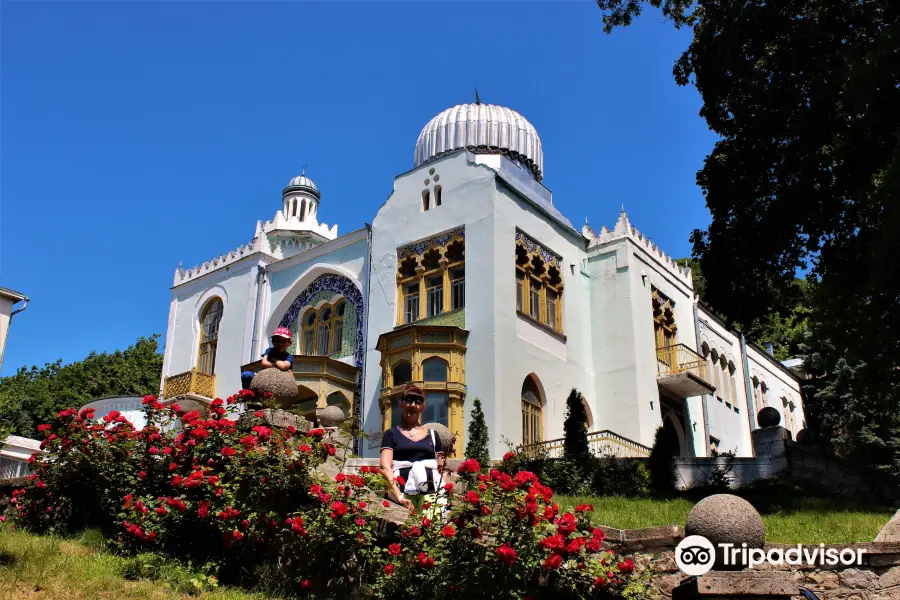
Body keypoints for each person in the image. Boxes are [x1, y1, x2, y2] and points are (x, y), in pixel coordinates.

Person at [380, 384, 446, 515]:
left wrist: (443, 492)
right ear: (401, 404)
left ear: (423, 406)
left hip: (431, 493)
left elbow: (441, 469)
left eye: (418, 401)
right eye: (408, 400)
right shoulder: (391, 434)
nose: (413, 404)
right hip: (402, 492)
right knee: (406, 532)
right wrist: (399, 496)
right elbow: (384, 467)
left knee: (432, 530)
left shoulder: (433, 435)